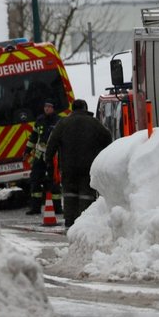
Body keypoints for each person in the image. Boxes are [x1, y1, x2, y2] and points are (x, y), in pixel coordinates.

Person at [42, 98, 112, 229]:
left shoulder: (63, 123)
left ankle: (70, 223)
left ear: (72, 109)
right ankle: (86, 224)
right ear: (85, 108)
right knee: (86, 195)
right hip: (88, 167)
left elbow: (51, 144)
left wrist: (49, 161)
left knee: (69, 194)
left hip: (68, 167)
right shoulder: (94, 123)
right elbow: (108, 138)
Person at [24, 100, 62, 215]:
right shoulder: (40, 120)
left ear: (53, 108)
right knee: (35, 180)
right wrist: (27, 151)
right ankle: (35, 207)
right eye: (45, 106)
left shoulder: (58, 121)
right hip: (39, 156)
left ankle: (57, 208)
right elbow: (33, 137)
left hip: (53, 157)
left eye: (49, 107)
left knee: (54, 182)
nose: (47, 109)